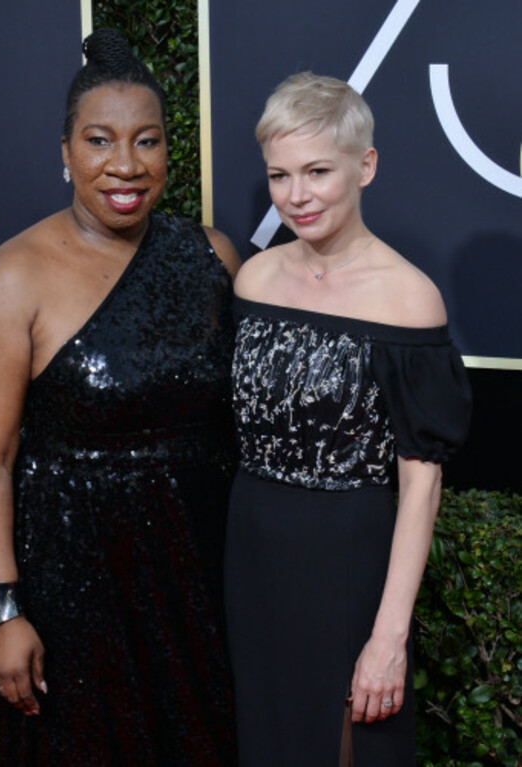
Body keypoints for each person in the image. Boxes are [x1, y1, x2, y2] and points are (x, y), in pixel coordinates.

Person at [0, 28, 239, 765]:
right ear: (65, 152)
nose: (125, 164)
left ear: (169, 152)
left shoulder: (213, 255)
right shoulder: (14, 276)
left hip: (200, 583)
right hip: (73, 593)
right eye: (99, 140)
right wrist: (5, 609)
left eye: (146, 141)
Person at [224, 72, 471, 766]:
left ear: (365, 165)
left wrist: (388, 636)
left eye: (317, 171)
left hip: (349, 564)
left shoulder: (409, 299)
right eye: (279, 175)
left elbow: (421, 486)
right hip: (252, 559)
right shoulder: (254, 280)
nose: (296, 195)